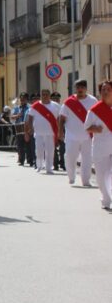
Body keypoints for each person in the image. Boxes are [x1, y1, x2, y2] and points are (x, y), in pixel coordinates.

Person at [59, 80, 97, 187]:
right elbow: (62, 118)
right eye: (78, 87)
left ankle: (86, 180)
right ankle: (71, 176)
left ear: (86, 88)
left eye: (82, 87)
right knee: (70, 157)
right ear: (75, 88)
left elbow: (97, 117)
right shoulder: (69, 102)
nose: (80, 89)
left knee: (87, 158)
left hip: (88, 136)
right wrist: (60, 131)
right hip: (71, 135)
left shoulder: (93, 100)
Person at [85, 80, 112, 210]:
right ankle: (106, 199)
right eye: (103, 90)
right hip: (101, 147)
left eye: (108, 89)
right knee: (101, 175)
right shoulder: (95, 110)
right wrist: (95, 129)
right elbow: (87, 127)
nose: (105, 92)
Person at [25, 89, 60, 174]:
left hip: (51, 132)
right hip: (39, 133)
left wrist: (59, 130)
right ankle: (39, 166)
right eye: (43, 94)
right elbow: (30, 118)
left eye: (46, 94)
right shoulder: (35, 106)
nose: (45, 96)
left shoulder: (55, 105)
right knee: (39, 150)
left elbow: (59, 118)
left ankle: (49, 168)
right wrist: (30, 128)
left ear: (49, 95)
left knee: (50, 151)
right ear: (41, 95)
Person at [11, 93, 34, 167]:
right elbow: (11, 117)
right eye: (21, 100)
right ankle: (21, 160)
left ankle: (30, 160)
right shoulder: (17, 108)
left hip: (27, 128)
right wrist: (17, 115)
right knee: (20, 146)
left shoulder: (30, 107)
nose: (22, 101)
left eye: (23, 99)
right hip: (19, 128)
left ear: (27, 100)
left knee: (29, 145)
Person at [50, 92, 66, 170]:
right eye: (54, 99)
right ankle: (55, 164)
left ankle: (63, 163)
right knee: (53, 148)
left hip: (62, 129)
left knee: (63, 148)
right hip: (52, 130)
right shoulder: (49, 108)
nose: (56, 100)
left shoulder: (62, 107)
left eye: (57, 99)